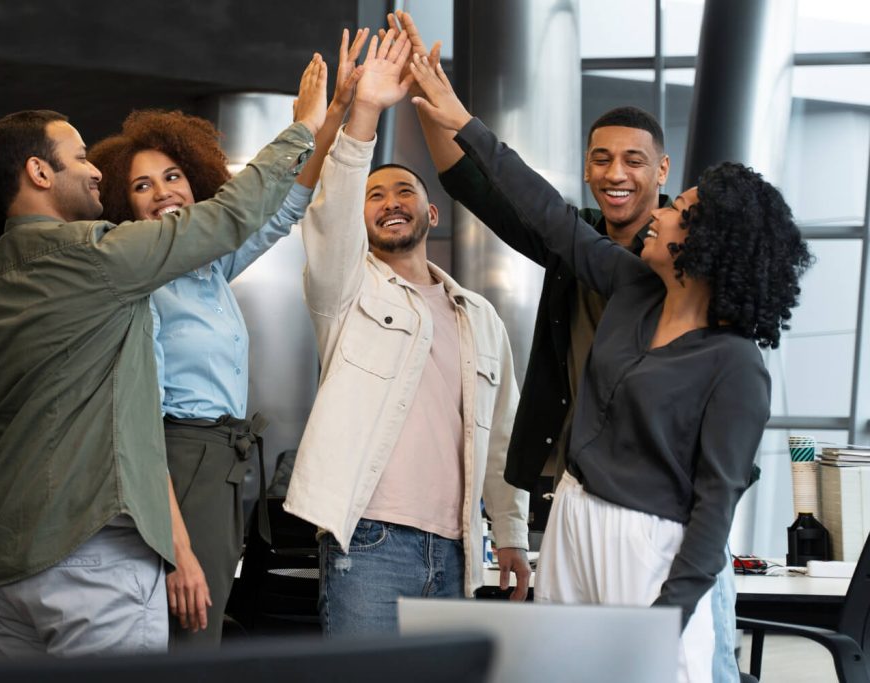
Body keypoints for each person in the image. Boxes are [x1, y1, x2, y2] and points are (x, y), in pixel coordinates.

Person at [408, 54, 811, 682]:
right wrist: (463, 121)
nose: (662, 212)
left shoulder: (735, 365)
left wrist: (669, 616)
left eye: (681, 210)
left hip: (650, 546)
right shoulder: (628, 285)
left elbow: (712, 510)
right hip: (572, 515)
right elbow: (545, 212)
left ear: (704, 244)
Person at [0, 55, 327, 657]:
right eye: (79, 159)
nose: (94, 172)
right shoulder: (99, 259)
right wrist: (303, 125)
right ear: (39, 172)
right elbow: (233, 216)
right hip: (92, 556)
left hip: (8, 566)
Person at [86, 30, 369, 647]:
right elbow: (136, 426)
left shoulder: (208, 266)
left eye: (173, 176)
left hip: (221, 464)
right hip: (174, 462)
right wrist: (179, 549)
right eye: (143, 186)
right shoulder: (143, 287)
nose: (164, 191)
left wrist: (335, 115)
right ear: (123, 205)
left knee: (197, 632)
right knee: (186, 633)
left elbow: (288, 202)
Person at [283, 29, 530, 637]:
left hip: (459, 550)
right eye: (375, 196)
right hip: (369, 541)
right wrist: (362, 112)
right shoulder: (345, 289)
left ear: (433, 212)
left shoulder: (479, 315)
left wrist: (513, 537)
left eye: (404, 192)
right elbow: (330, 211)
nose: (389, 203)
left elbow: (502, 437)